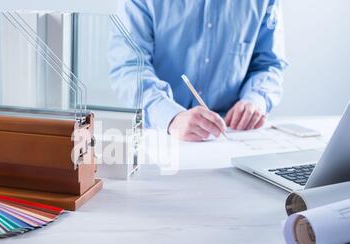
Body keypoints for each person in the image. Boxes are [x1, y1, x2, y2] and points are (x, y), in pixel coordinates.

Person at [109, 0, 288, 141]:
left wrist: (256, 100)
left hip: (232, 135)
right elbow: (130, 68)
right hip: (161, 134)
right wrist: (171, 117)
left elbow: (268, 65)